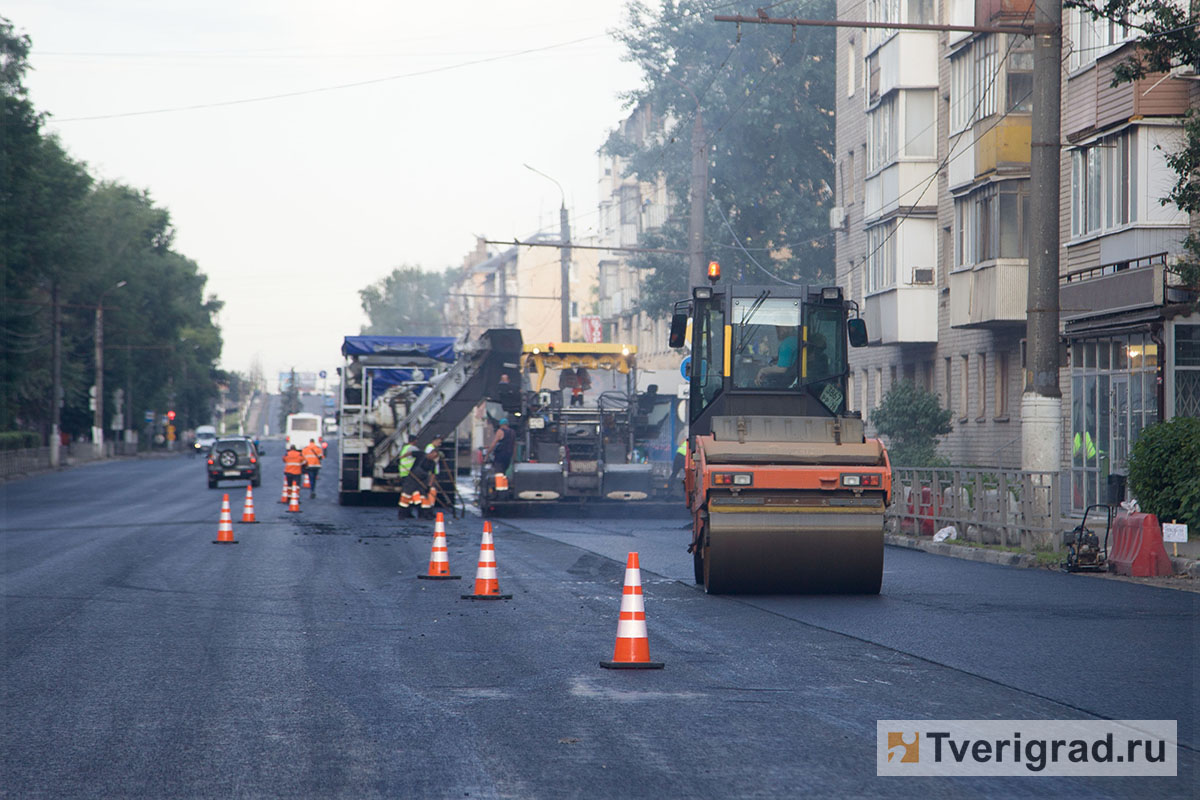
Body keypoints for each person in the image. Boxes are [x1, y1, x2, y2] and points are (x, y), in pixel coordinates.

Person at [396, 435, 420, 517]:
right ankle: (406, 512)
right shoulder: (412, 448)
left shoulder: (405, 448)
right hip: (410, 474)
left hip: (404, 474)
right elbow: (421, 455)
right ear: (414, 441)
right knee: (410, 494)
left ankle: (407, 512)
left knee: (408, 494)